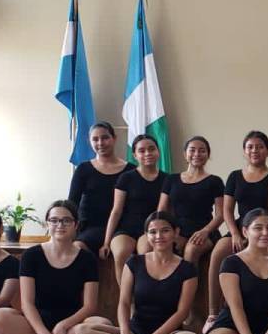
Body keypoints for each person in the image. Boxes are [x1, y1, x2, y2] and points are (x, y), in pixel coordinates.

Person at [74, 212, 202, 334]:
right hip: (135, 332)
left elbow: (182, 312)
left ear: (176, 232)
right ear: (146, 235)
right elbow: (124, 303)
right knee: (82, 331)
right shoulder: (134, 263)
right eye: (153, 232)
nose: (159, 236)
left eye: (165, 230)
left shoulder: (187, 269)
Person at [0, 200, 107, 334]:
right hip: (36, 323)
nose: (60, 225)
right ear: (47, 224)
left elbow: (89, 306)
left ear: (76, 225)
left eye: (66, 220)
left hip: (72, 324)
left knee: (102, 324)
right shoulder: (31, 255)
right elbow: (27, 304)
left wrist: (63, 326)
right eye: (54, 220)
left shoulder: (87, 259)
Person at [204, 131, 268, 332]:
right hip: (240, 227)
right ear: (244, 151)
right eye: (250, 147)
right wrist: (236, 233)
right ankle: (213, 313)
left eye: (260, 146)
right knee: (219, 251)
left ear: (267, 150)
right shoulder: (235, 176)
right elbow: (227, 211)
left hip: (266, 229)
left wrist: (264, 233)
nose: (255, 150)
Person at [103, 135, 165, 285]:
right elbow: (116, 211)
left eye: (151, 149)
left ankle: (144, 295)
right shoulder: (126, 178)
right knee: (121, 252)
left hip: (150, 229)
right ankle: (125, 297)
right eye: (142, 151)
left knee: (146, 253)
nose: (147, 153)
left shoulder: (167, 179)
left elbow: (165, 211)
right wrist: (106, 242)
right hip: (126, 229)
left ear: (158, 152)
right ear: (135, 155)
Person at [158, 135, 224, 268]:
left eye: (202, 150)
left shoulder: (215, 181)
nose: (197, 154)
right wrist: (171, 232)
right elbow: (162, 210)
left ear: (208, 155)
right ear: (185, 154)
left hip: (204, 230)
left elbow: (220, 215)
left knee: (191, 250)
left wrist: (205, 231)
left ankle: (190, 282)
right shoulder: (171, 179)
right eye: (192, 150)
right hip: (177, 230)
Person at [67, 122, 134, 253]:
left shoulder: (131, 170)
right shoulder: (83, 169)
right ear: (89, 142)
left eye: (105, 138)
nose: (100, 143)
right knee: (77, 250)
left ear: (114, 138)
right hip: (88, 228)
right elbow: (72, 204)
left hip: (121, 229)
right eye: (95, 139)